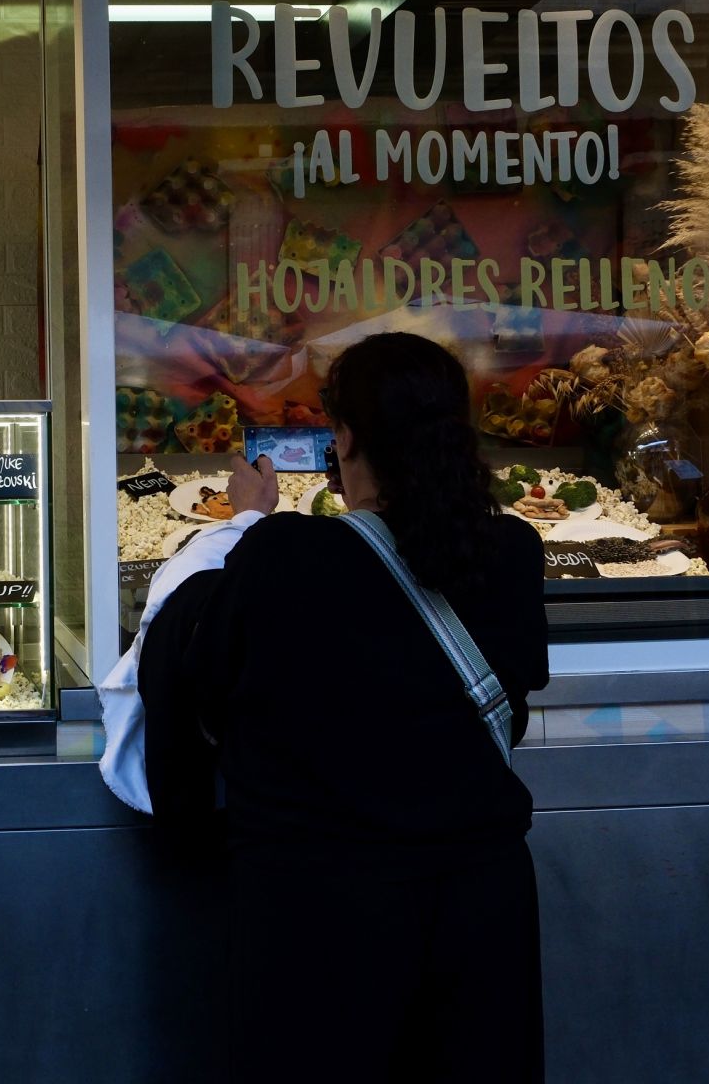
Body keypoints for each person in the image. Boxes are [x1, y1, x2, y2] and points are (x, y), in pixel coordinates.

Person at [190, 331, 550, 1082]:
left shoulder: (283, 553)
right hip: (479, 903)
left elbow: (204, 683)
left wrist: (243, 523)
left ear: (345, 436)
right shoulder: (512, 551)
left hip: (319, 913)